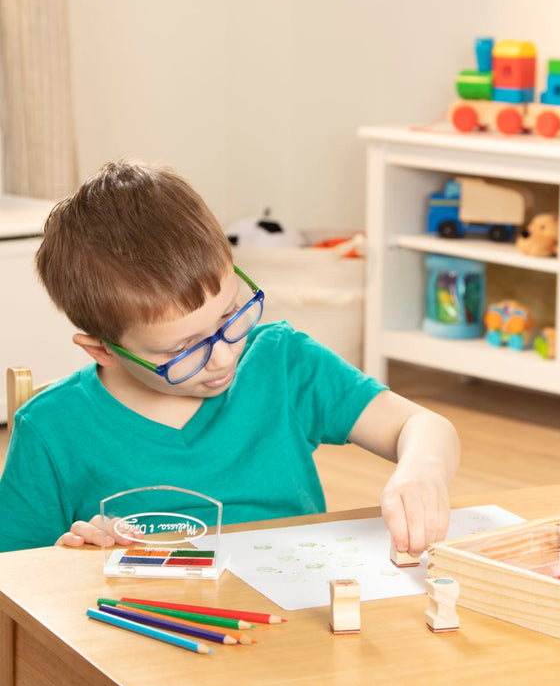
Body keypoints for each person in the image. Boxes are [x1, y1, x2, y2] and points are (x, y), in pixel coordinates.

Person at [0, 160, 460, 555]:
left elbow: (422, 426)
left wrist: (422, 471)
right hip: (147, 638)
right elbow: (16, 587)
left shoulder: (280, 360)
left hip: (292, 626)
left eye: (230, 315)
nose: (222, 358)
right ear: (104, 350)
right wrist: (67, 562)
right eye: (182, 350)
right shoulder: (51, 429)